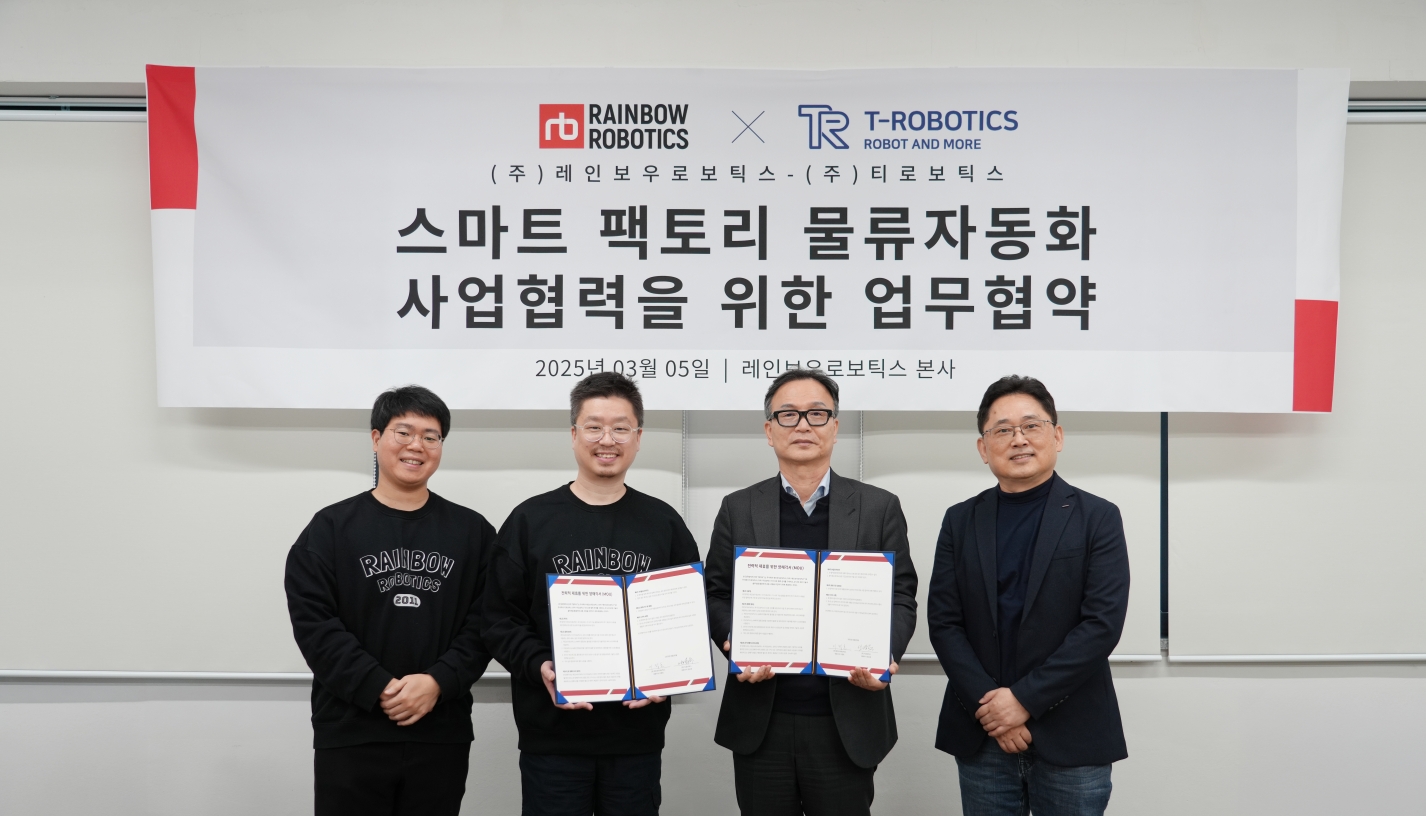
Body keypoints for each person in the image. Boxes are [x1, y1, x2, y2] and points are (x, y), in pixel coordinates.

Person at [482, 371, 701, 816]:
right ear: (573, 434)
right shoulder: (529, 521)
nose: (607, 440)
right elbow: (498, 618)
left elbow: (688, 620)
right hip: (553, 738)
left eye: (621, 428)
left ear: (638, 438)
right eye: (594, 427)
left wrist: (668, 677)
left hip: (635, 737)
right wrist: (539, 664)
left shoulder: (664, 524)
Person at [704, 369, 918, 816]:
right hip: (762, 718)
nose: (803, 425)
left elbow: (901, 594)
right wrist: (733, 644)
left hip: (846, 718)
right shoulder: (739, 507)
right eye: (788, 415)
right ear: (769, 431)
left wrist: (885, 655)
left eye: (817, 414)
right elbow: (717, 593)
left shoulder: (878, 507)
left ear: (835, 427)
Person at [284, 385, 496, 816]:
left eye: (431, 436)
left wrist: (437, 681)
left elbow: (487, 621)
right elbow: (314, 623)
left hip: (440, 729)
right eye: (404, 432)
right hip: (351, 730)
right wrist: (378, 686)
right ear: (376, 438)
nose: (417, 445)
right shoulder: (330, 529)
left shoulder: (473, 532)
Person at [927, 375, 1130, 816]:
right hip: (983, 733)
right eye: (1002, 430)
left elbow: (1101, 625)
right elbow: (944, 623)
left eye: (1031, 426)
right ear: (983, 448)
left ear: (1057, 436)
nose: (1018, 439)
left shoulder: (1098, 517)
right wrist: (993, 708)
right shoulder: (960, 521)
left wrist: (1022, 702)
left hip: (1072, 733)